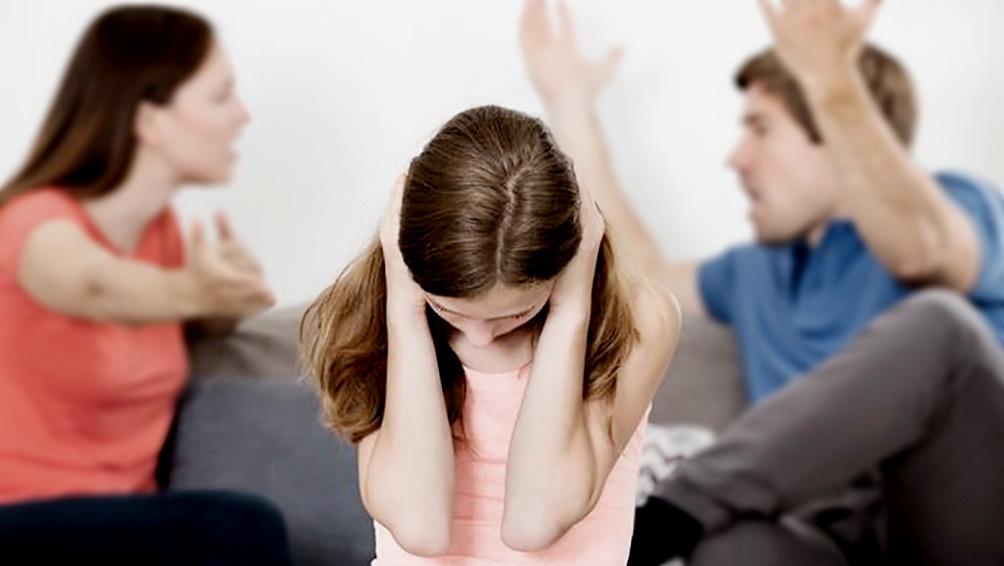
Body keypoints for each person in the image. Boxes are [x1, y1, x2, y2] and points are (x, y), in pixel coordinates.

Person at [519, 0, 1004, 563]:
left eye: (761, 129)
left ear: (832, 136)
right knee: (730, 548)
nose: (737, 158)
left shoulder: (958, 207)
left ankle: (662, 521)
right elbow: (641, 276)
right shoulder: (755, 272)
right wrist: (569, 104)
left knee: (941, 325)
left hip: (959, 519)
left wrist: (833, 83)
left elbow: (925, 251)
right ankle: (674, 527)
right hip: (830, 536)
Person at [301, 104, 679, 564]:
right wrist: (405, 311)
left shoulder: (639, 319)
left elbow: (535, 521)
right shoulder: (374, 313)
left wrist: (570, 311)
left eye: (517, 313)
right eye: (448, 309)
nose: (480, 337)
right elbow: (421, 529)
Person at [0, 6, 291, 564]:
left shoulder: (163, 239)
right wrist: (194, 291)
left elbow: (177, 309)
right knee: (240, 529)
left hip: (121, 528)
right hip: (16, 519)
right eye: (221, 96)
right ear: (150, 120)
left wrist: (225, 302)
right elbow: (91, 284)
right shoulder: (32, 220)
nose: (243, 115)